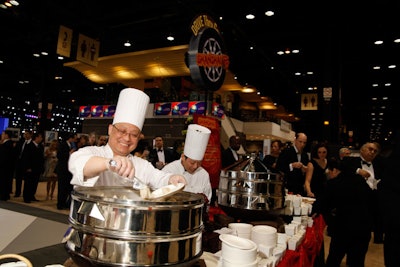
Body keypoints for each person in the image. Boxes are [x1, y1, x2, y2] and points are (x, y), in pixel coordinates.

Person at [69, 88, 186, 189]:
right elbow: (78, 163)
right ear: (110, 129)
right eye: (122, 131)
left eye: (134, 134)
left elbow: (159, 178)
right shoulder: (92, 152)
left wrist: (172, 178)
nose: (127, 138)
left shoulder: (141, 165)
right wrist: (110, 163)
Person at [319, 157, 374, 267]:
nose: (329, 175)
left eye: (329, 172)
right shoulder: (360, 180)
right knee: (357, 261)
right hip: (363, 229)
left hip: (343, 229)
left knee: (333, 260)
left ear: (334, 170)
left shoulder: (334, 183)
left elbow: (323, 205)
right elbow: (372, 201)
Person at [341, 141, 384, 244]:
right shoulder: (350, 160)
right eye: (370, 149)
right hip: (354, 203)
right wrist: (358, 171)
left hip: (372, 203)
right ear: (362, 150)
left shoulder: (378, 165)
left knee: (364, 238)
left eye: (375, 151)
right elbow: (341, 165)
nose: (372, 152)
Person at [162, 124, 212, 202]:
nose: (195, 166)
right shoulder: (168, 171)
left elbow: (207, 199)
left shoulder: (204, 175)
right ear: (183, 157)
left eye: (199, 163)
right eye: (192, 163)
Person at [379, 129, 400, 267]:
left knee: (392, 243)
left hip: (392, 214)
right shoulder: (390, 161)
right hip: (394, 213)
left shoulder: (389, 160)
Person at [55, 132, 77, 210]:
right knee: (61, 187)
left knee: (67, 188)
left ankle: (64, 203)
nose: (75, 140)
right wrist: (69, 153)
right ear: (70, 138)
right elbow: (59, 155)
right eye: (74, 138)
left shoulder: (72, 145)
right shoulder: (62, 144)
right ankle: (60, 204)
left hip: (69, 170)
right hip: (62, 169)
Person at [22, 132, 45, 203]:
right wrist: (27, 167)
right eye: (40, 137)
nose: (41, 139)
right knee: (28, 183)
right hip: (30, 168)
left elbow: (41, 158)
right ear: (36, 137)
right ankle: (26, 197)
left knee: (35, 183)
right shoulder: (29, 146)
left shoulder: (40, 146)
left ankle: (32, 195)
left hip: (37, 168)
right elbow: (25, 158)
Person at [14, 130, 32, 197]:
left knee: (27, 180)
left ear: (30, 135)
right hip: (19, 163)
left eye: (27, 134)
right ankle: (17, 192)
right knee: (18, 179)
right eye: (25, 134)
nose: (25, 135)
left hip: (27, 164)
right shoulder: (21, 142)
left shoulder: (31, 144)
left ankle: (26, 194)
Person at [0, 130, 16, 201]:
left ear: (6, 135)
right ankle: (5, 194)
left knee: (4, 181)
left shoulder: (7, 144)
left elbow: (3, 156)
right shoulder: (7, 144)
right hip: (6, 167)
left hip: (4, 167)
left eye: (3, 134)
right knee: (5, 181)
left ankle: (3, 195)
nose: (2, 135)